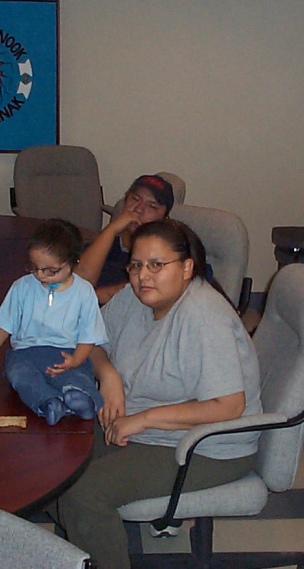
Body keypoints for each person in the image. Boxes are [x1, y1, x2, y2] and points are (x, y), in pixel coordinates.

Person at [52, 219, 262, 569]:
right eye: (136, 265)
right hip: (146, 424)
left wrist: (142, 420)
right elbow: (92, 340)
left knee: (83, 494)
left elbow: (229, 405)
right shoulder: (136, 298)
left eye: (156, 265)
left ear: (186, 268)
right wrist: (109, 377)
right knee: (50, 451)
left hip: (207, 445)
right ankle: (78, 548)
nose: (143, 276)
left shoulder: (202, 317)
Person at [0, 219, 107, 425]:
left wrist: (75, 361)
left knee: (77, 376)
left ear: (74, 262)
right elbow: (3, 325)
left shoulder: (84, 293)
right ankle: (49, 402)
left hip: (66, 355)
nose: (40, 275)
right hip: (25, 355)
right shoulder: (22, 287)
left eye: (51, 270)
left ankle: (79, 397)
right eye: (35, 267)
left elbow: (89, 335)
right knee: (20, 376)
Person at [76, 174, 175, 304]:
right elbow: (76, 289)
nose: (138, 209)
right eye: (135, 199)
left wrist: (94, 296)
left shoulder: (166, 259)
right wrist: (113, 228)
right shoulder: (103, 245)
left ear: (164, 219)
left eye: (152, 206)